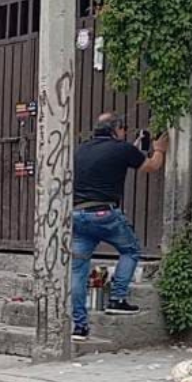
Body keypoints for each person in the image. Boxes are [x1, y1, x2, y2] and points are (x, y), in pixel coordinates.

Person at [71, 112, 168, 341]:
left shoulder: (81, 149)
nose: (125, 133)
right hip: (104, 214)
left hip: (77, 214)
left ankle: (79, 327)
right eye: (123, 129)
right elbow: (152, 166)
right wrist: (160, 148)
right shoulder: (122, 150)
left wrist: (131, 151)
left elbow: (107, 163)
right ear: (117, 129)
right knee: (130, 250)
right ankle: (117, 299)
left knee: (78, 270)